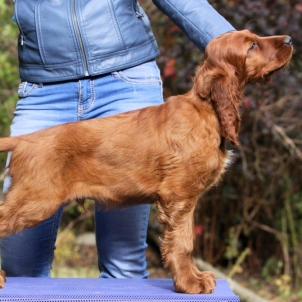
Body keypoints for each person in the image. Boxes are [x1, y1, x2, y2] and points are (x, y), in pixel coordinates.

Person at [0, 0, 234, 279]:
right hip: (44, 88)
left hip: (125, 83)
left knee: (124, 265)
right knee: (20, 263)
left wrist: (235, 46)